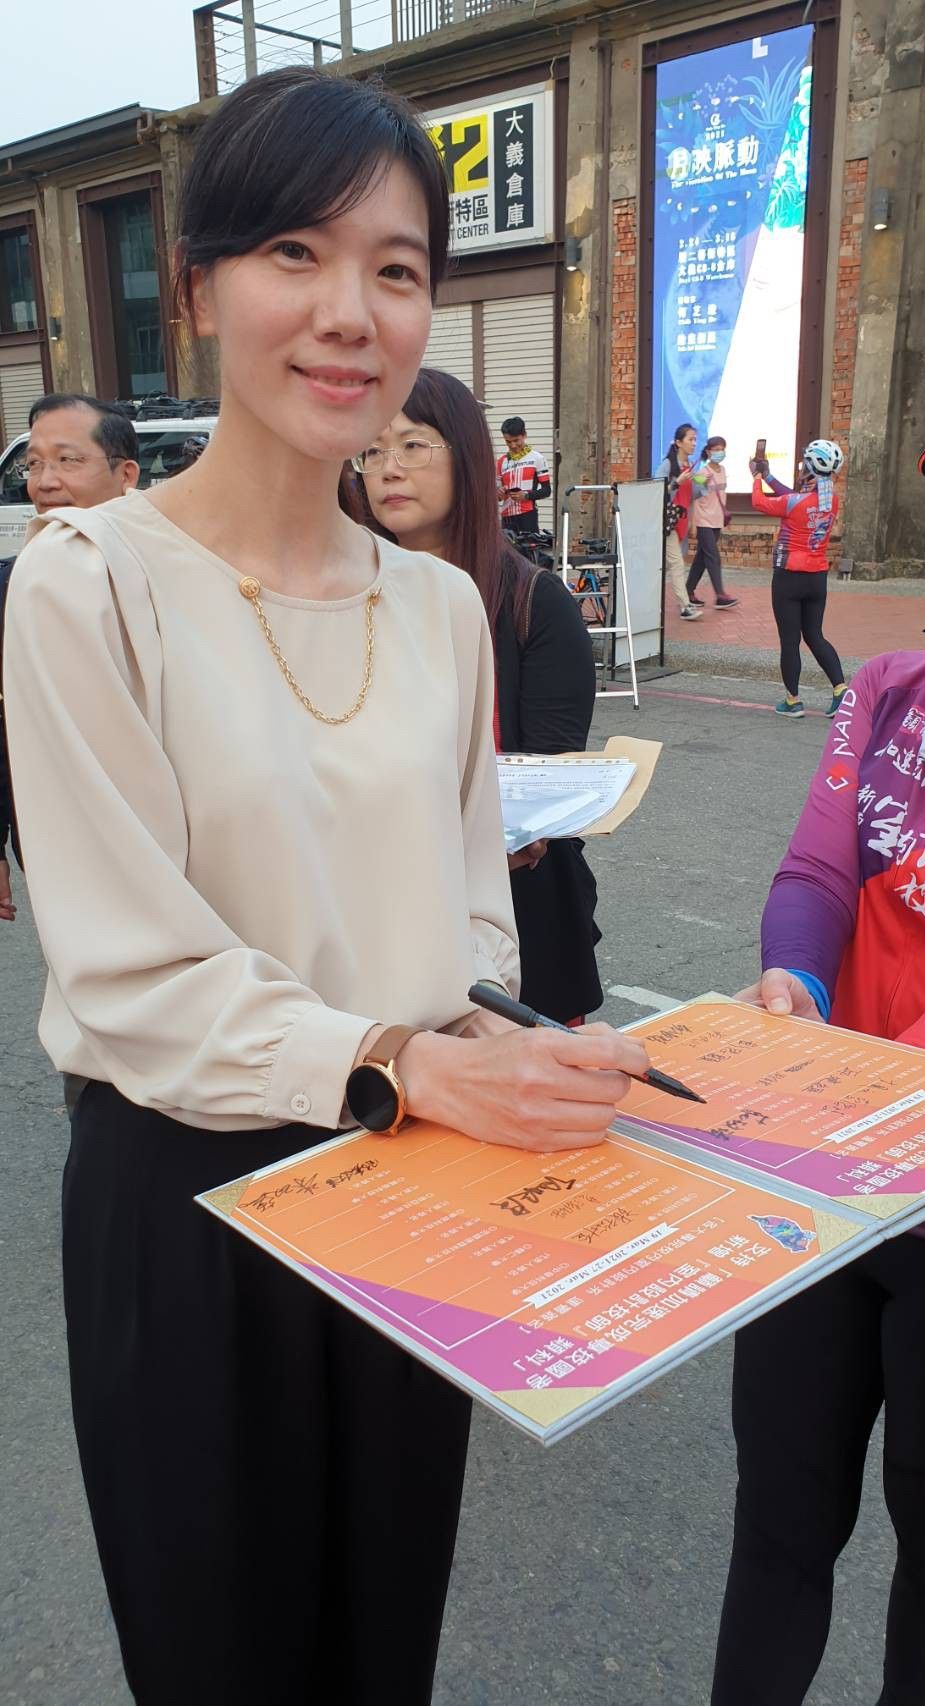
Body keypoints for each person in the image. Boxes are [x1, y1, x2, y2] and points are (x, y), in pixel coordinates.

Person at [4, 69, 650, 1706]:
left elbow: (472, 918)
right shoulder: (89, 585)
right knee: (220, 1660)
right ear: (200, 289)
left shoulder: (438, 611)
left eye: (398, 267)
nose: (351, 311)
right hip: (190, 1197)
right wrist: (400, 1056)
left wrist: (516, 1047)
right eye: (296, 252)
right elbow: (133, 971)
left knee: (383, 1643)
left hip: (412, 1184)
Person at [711, 392, 925, 1706]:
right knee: (779, 1527)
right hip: (819, 1192)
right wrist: (793, 981)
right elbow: (818, 866)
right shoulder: (891, 691)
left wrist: (889, 1093)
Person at [356, 365, 602, 1025]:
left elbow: (546, 771)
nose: (388, 468)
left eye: (412, 445)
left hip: (517, 908)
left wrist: (514, 828)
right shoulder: (342, 598)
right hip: (378, 904)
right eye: (372, 450)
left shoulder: (533, 601)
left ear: (465, 456)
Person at [0, 393, 141, 923]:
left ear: (126, 474)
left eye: (68, 460)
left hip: (170, 835)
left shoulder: (175, 572)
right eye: (34, 464)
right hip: (54, 839)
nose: (45, 482)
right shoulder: (12, 586)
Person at [750, 438, 846, 717]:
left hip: (789, 577)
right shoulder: (831, 500)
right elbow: (794, 498)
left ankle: (793, 700)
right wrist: (769, 476)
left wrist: (756, 477)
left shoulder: (795, 503)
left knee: (790, 641)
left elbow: (759, 502)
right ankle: (840, 690)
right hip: (817, 578)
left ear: (809, 468)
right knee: (815, 635)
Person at [654, 423, 702, 621]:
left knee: (666, 565)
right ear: (678, 442)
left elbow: (694, 495)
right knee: (677, 563)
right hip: (668, 521)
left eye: (695, 439)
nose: (694, 443)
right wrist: (676, 483)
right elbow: (655, 491)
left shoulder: (689, 466)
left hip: (681, 521)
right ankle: (685, 606)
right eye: (690, 439)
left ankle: (644, 595)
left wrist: (704, 481)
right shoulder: (668, 465)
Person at [686, 435, 738, 609]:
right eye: (716, 450)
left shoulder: (722, 470)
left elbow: (721, 496)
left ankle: (688, 590)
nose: (719, 452)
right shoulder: (702, 473)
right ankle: (720, 595)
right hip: (704, 521)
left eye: (722, 449)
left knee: (701, 558)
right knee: (713, 556)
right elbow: (694, 496)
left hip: (717, 520)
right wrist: (693, 523)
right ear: (708, 452)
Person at [496, 414, 551, 536]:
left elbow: (547, 491)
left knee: (529, 549)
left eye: (516, 440)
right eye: (508, 442)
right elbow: (497, 496)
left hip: (528, 515)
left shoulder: (537, 458)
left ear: (524, 435)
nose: (513, 445)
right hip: (507, 517)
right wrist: (499, 492)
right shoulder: (500, 462)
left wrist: (526, 495)